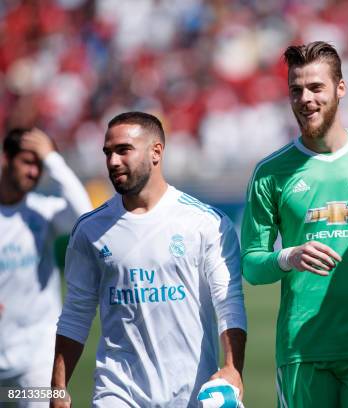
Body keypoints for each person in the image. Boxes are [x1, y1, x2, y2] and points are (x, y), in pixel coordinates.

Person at [241, 41, 348, 407]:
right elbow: (252, 264)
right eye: (296, 89)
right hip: (302, 351)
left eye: (316, 87)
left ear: (340, 88)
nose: (305, 98)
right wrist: (288, 257)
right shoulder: (270, 173)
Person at [51, 112, 247, 407]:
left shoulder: (205, 222)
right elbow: (76, 314)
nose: (113, 161)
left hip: (189, 393)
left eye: (123, 150)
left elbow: (228, 300)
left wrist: (233, 368)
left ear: (156, 152)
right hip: (116, 391)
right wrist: (57, 387)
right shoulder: (89, 230)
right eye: (108, 153)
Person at [0, 128, 92, 406]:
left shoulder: (43, 210)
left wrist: (53, 159)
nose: (34, 172)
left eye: (39, 166)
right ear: (6, 160)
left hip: (35, 361)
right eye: (27, 162)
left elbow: (84, 217)